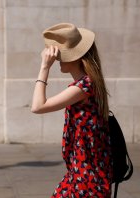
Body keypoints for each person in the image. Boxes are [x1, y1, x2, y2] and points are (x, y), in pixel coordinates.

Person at [31, 23, 112, 197]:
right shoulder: (87, 84)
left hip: (86, 179)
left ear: (75, 57)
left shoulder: (84, 87)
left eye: (62, 55)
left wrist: (44, 67)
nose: (58, 58)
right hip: (83, 174)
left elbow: (37, 106)